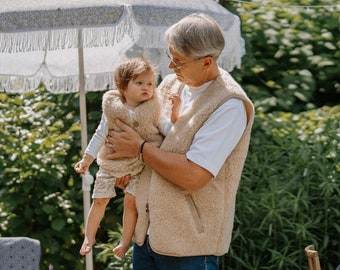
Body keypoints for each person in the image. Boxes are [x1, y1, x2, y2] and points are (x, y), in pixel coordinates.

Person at [106, 13, 254, 269]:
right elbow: (154, 135)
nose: (171, 68)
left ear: (207, 62)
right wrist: (127, 168)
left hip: (191, 247)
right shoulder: (173, 83)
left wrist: (139, 149)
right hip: (147, 237)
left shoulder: (229, 105)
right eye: (170, 57)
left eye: (179, 62)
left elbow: (193, 176)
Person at [74, 57, 181, 258]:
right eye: (139, 83)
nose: (146, 88)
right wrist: (87, 159)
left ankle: (124, 242)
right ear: (123, 86)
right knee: (99, 199)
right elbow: (100, 134)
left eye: (150, 83)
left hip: (139, 164)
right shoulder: (112, 107)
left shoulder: (153, 107)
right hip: (112, 162)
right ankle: (89, 236)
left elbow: (167, 128)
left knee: (131, 202)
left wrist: (175, 115)